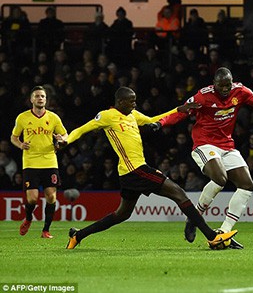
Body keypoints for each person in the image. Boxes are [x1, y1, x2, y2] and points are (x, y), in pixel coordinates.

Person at [55, 87, 236, 250]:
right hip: (135, 170)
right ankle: (212, 236)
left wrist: (177, 110)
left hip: (130, 173)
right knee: (179, 193)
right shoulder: (106, 116)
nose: (135, 104)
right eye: (131, 101)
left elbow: (151, 120)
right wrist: (66, 140)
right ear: (120, 102)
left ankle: (78, 235)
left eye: (135, 100)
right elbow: (81, 129)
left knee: (122, 214)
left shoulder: (132, 115)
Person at [152, 67, 253, 249]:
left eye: (228, 85)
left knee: (247, 185)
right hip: (204, 144)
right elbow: (180, 111)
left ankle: (224, 232)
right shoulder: (203, 96)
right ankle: (194, 217)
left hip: (227, 145)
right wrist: (160, 123)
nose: (226, 89)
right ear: (215, 84)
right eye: (222, 86)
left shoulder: (240, 91)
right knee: (220, 179)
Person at [11, 86, 68, 239]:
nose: (40, 98)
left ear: (46, 99)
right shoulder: (22, 118)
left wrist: (61, 140)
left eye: (42, 96)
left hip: (49, 161)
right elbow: (14, 137)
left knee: (51, 197)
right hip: (30, 162)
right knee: (32, 198)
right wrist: (20, 145)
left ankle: (46, 230)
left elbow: (64, 134)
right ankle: (29, 218)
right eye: (37, 96)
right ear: (31, 99)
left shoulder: (53, 117)